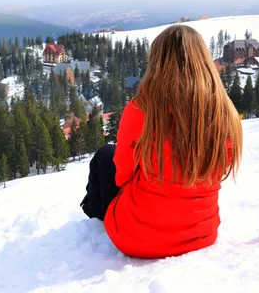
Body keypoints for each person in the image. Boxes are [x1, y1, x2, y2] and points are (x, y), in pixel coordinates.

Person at [80, 24, 243, 259]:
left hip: (138, 239)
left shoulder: (142, 108)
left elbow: (122, 175)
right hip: (202, 234)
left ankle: (93, 218)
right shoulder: (223, 113)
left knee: (106, 155)